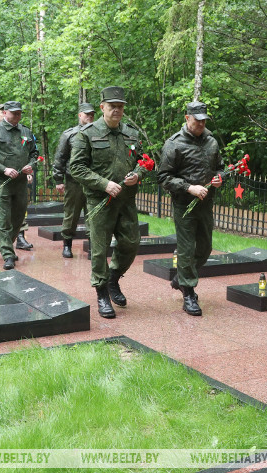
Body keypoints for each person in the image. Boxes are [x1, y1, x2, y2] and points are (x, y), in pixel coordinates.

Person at [70, 86, 149, 318]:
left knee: (131, 243)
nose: (117, 110)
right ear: (102, 107)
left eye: (120, 106)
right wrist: (104, 184)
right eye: (112, 106)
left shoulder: (131, 134)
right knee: (99, 249)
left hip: (125, 200)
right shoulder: (87, 134)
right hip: (99, 201)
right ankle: (102, 292)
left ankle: (113, 278)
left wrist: (138, 175)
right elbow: (76, 167)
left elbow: (143, 161)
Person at [158, 101, 222, 316]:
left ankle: (181, 277)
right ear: (187, 118)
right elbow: (163, 177)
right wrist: (188, 188)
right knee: (186, 249)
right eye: (197, 120)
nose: (201, 124)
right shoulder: (174, 144)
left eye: (204, 120)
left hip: (206, 204)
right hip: (184, 204)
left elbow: (219, 168)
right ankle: (188, 293)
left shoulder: (211, 141)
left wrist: (219, 178)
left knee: (204, 248)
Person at [0, 101, 38, 269]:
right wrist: (3, 169)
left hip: (20, 183)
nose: (17, 116)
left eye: (19, 113)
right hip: (2, 182)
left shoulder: (25, 131)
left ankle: (6, 243)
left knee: (18, 217)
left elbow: (34, 153)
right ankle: (8, 254)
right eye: (14, 113)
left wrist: (31, 166)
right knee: (3, 218)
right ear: (4, 113)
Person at [53, 102, 95, 258]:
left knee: (94, 214)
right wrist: (58, 179)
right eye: (87, 114)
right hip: (74, 181)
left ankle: (93, 247)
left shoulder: (98, 133)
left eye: (92, 115)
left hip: (93, 181)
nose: (90, 117)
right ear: (80, 115)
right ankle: (67, 244)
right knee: (71, 213)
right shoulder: (69, 134)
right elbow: (60, 158)